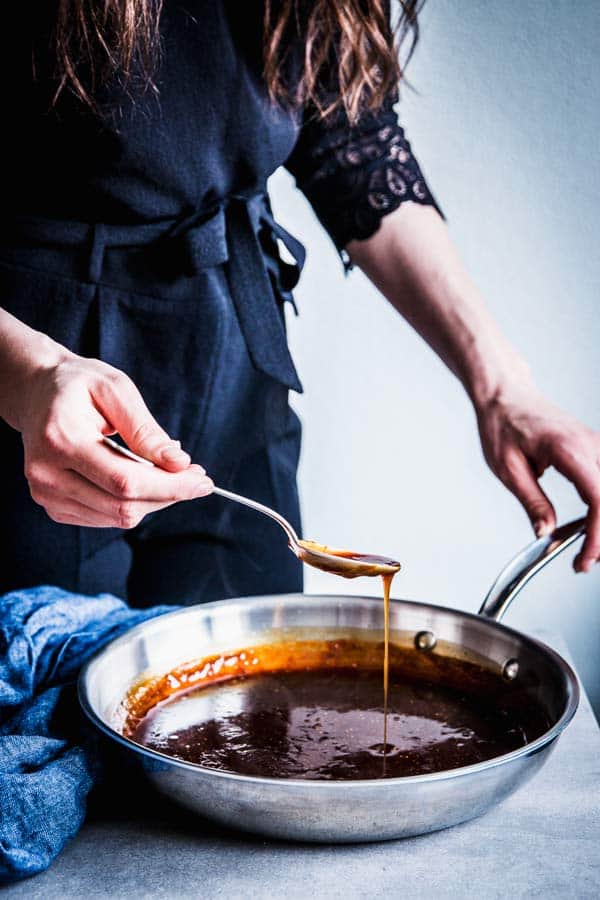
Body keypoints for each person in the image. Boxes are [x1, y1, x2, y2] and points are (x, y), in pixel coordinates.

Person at [0, 1, 598, 608]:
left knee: (252, 687)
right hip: (33, 391)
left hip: (236, 375)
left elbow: (349, 140)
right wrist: (26, 377)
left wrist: (502, 387)